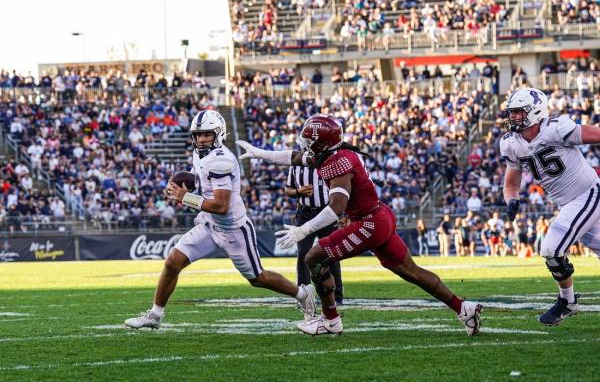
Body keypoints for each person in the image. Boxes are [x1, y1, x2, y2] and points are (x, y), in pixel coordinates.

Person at [236, 115, 482, 336]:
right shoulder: (330, 154)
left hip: (368, 223)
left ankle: (330, 320)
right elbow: (293, 157)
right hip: (379, 216)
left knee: (314, 257)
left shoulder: (337, 162)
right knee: (412, 271)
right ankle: (463, 308)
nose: (305, 145)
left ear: (321, 142)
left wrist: (304, 229)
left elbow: (336, 207)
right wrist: (259, 153)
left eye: (309, 140)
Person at [125, 110, 316, 329]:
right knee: (172, 262)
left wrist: (186, 197)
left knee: (257, 278)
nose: (201, 139)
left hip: (233, 229)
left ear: (219, 133)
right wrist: (183, 184)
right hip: (209, 224)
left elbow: (221, 206)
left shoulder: (221, 161)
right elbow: (203, 184)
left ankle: (302, 294)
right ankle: (155, 316)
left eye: (206, 134)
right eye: (197, 135)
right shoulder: (200, 155)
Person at [500, 87, 600, 326]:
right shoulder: (511, 143)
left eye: (518, 112)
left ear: (535, 112)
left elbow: (595, 134)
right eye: (511, 113)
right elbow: (510, 183)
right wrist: (511, 200)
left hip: (588, 193)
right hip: (569, 204)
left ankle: (568, 301)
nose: (512, 117)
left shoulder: (556, 128)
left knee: (551, 247)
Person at [286, 165, 344, 304]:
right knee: (303, 253)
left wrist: (342, 213)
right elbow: (288, 189)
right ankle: (303, 294)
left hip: (327, 213)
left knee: (332, 253)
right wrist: (298, 191)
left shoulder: (328, 164)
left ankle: (337, 294)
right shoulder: (295, 165)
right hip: (305, 213)